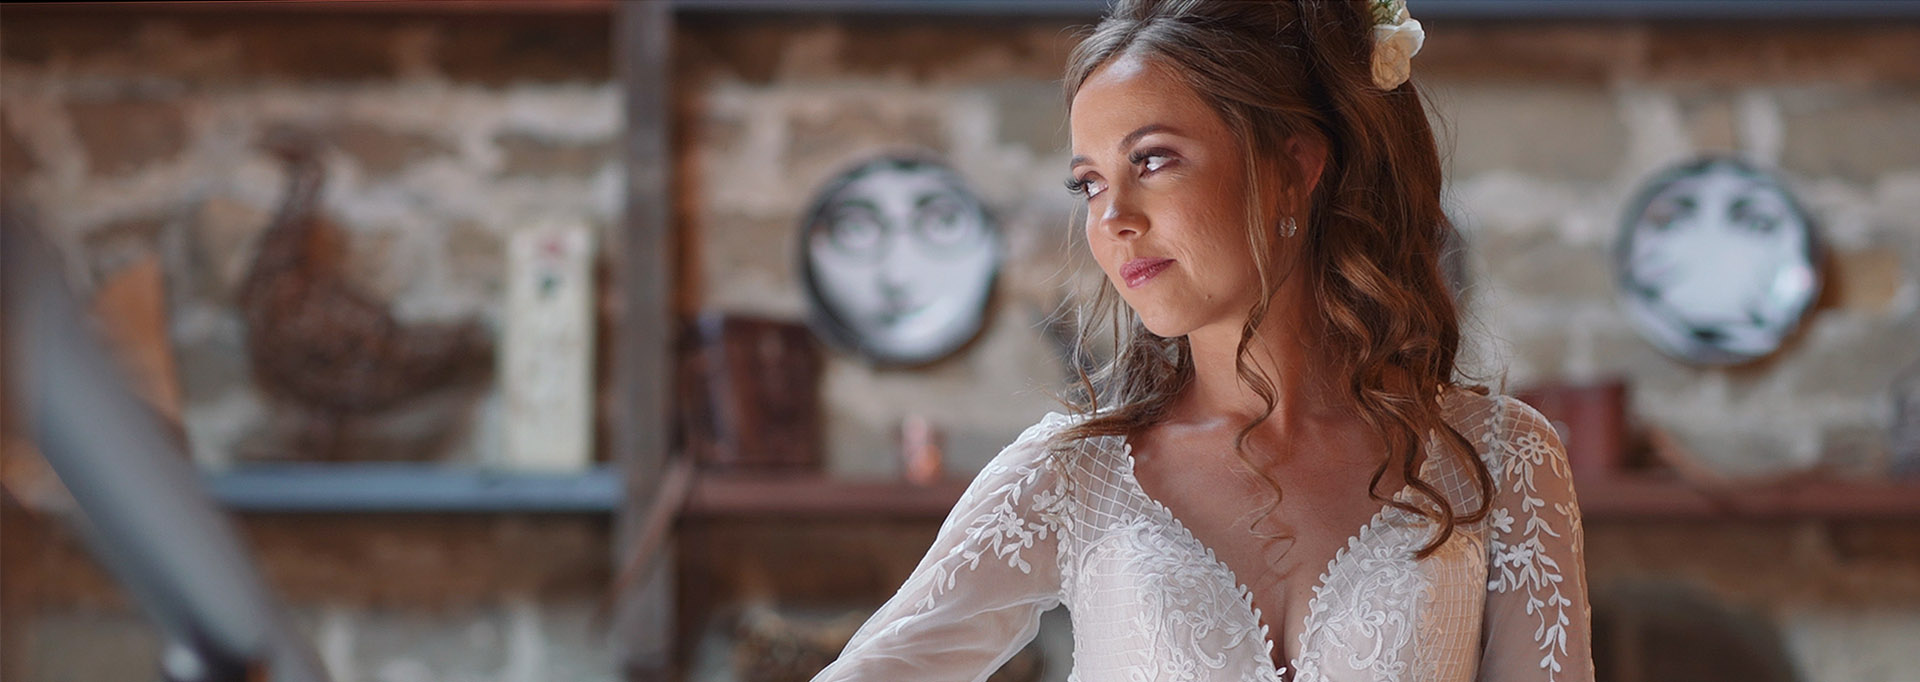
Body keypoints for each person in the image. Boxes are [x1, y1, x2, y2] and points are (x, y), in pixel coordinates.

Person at [810, 1, 1593, 680]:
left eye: (1153, 160)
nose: (1113, 218)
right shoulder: (1073, 476)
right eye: (1089, 184)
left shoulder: (1502, 458)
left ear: (1293, 167)